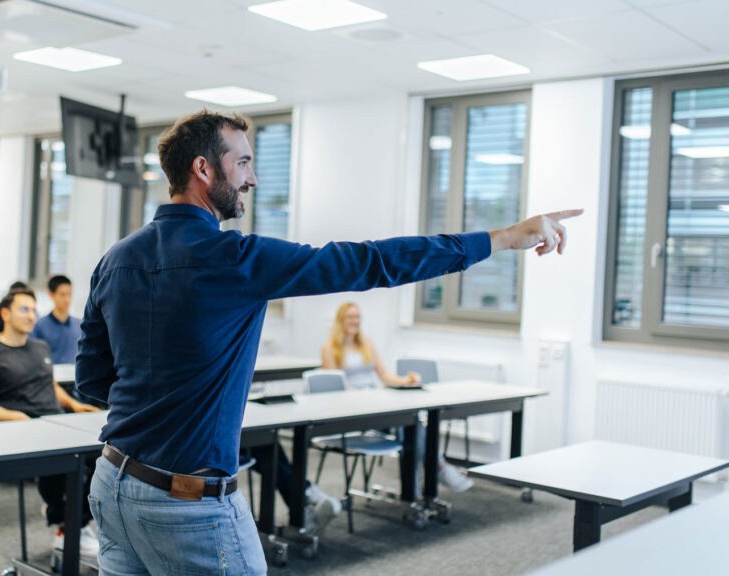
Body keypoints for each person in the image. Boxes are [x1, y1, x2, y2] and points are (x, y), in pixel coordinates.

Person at [75, 109, 581, 574]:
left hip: (112, 483)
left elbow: (92, 380)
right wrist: (504, 238)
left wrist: (158, 402)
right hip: (187, 502)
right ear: (203, 169)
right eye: (243, 162)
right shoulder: (235, 259)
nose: (252, 178)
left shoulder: (115, 259)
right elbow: (370, 262)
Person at [0, 288, 99, 556]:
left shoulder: (40, 348)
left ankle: (69, 522)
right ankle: (69, 526)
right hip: (25, 431)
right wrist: (19, 417)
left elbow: (49, 384)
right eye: (24, 309)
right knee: (69, 459)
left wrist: (73, 404)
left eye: (33, 310)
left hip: (57, 422)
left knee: (105, 456)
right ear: (5, 314)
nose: (31, 316)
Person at [322, 302, 473, 492]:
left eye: (358, 316)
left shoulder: (366, 343)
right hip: (353, 410)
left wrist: (405, 381)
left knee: (410, 423)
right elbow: (336, 386)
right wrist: (363, 397)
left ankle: (419, 485)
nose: (355, 321)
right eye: (350, 317)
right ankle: (437, 470)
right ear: (340, 320)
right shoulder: (330, 348)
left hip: (374, 403)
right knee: (407, 424)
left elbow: (384, 375)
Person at [30, 275, 81, 365]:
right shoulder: (39, 325)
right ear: (51, 294)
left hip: (74, 372)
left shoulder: (80, 325)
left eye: (69, 294)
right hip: (49, 372)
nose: (67, 299)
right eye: (62, 294)